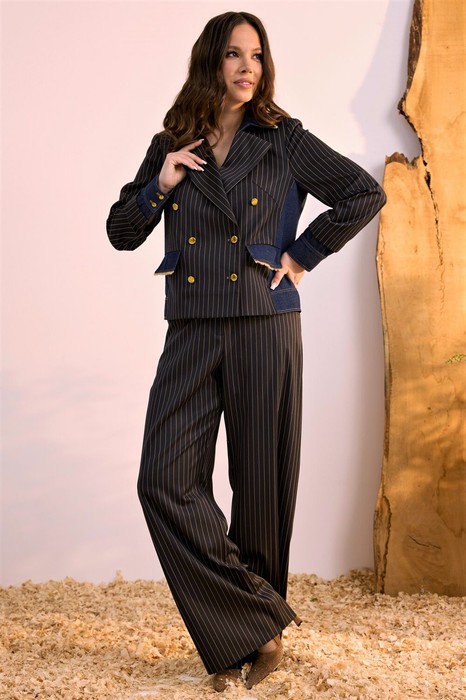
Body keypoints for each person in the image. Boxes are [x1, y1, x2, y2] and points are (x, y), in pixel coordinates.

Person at [106, 10, 386, 692]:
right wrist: (160, 184)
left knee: (261, 484)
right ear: (211, 61)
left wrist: (302, 254)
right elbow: (121, 231)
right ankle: (255, 620)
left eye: (256, 55)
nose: (247, 67)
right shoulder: (173, 141)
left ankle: (257, 642)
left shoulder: (283, 137)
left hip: (265, 321)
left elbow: (363, 192)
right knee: (163, 479)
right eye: (234, 54)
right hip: (192, 325)